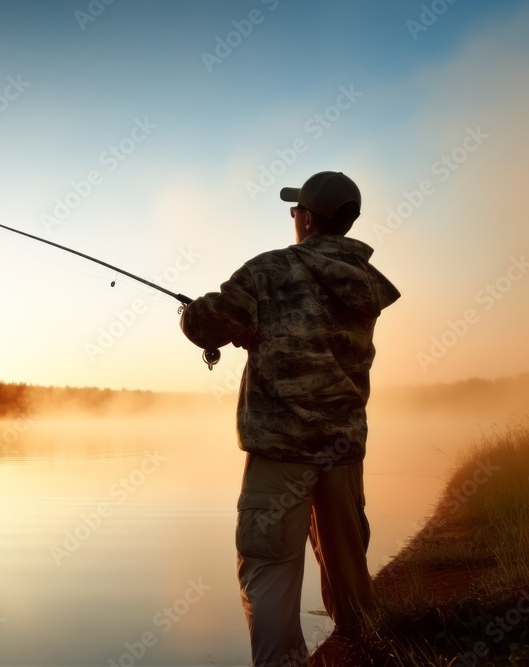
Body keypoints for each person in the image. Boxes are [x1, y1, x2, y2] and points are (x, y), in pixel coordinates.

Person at [179, 172, 400, 666]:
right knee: (349, 573)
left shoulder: (269, 270)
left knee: (270, 573)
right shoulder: (365, 282)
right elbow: (311, 333)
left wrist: (191, 314)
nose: (293, 218)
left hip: (281, 450)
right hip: (343, 451)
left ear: (306, 217)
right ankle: (373, 654)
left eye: (295, 210)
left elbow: (207, 324)